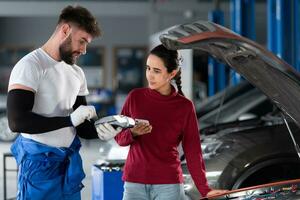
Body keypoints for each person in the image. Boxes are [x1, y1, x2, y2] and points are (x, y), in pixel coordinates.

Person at [7, 5, 121, 200]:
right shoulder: (31, 65)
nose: (84, 50)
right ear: (65, 30)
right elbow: (18, 122)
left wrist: (102, 131)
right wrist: (69, 120)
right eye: (82, 41)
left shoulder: (76, 73)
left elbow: (82, 127)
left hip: (68, 161)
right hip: (39, 164)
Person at [113, 44, 227, 199]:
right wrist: (132, 133)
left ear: (172, 73)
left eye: (157, 71)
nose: (150, 75)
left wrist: (205, 189)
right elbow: (119, 138)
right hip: (134, 182)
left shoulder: (184, 107)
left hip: (168, 185)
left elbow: (193, 151)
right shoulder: (135, 97)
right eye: (148, 68)